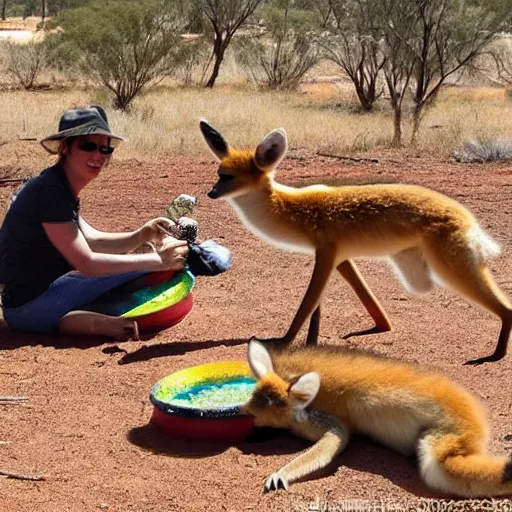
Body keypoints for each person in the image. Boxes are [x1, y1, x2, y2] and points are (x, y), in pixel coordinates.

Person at [0, 105, 189, 340]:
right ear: (66, 147)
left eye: (104, 148)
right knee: (143, 273)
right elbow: (87, 261)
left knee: (136, 269)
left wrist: (140, 235)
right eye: (87, 145)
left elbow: (91, 240)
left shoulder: (55, 186)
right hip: (29, 307)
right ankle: (87, 321)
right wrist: (158, 262)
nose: (98, 155)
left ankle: (81, 318)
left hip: (27, 303)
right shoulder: (50, 192)